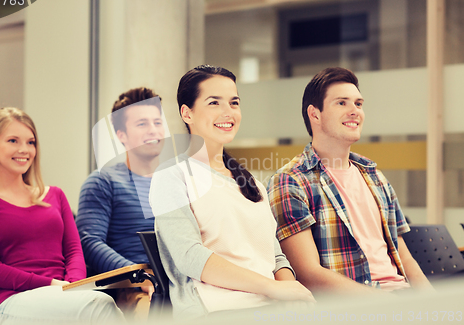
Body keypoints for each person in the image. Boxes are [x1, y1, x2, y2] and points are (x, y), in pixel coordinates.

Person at [149, 65, 315, 320]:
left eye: (234, 102)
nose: (228, 112)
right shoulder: (171, 176)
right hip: (216, 312)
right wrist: (273, 288)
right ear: (187, 113)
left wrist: (292, 292)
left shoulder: (252, 184)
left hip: (271, 309)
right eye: (214, 102)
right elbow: (189, 257)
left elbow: (276, 256)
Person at [267, 67, 432, 295]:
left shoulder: (373, 175)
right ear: (315, 114)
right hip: (356, 307)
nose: (355, 111)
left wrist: (432, 305)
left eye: (358, 103)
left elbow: (404, 256)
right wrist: (387, 304)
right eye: (342, 103)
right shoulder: (290, 181)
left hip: (402, 299)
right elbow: (307, 274)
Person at [0, 107, 126, 324]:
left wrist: (73, 287)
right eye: (13, 141)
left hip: (65, 295)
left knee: (98, 303)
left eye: (31, 142)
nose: (25, 149)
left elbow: (74, 252)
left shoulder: (55, 195)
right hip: (13, 300)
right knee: (99, 306)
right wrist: (52, 285)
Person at [76, 88, 164, 317]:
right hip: (132, 287)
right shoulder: (102, 181)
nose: (153, 130)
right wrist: (137, 275)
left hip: (178, 280)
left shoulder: (177, 183)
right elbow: (89, 242)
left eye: (157, 122)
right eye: (142, 124)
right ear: (121, 135)